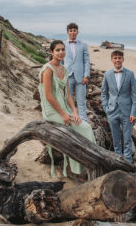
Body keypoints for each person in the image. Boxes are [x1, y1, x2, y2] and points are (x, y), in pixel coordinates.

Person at [39, 40, 96, 177]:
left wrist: (75, 112)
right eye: (57, 50)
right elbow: (48, 96)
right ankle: (80, 169)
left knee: (86, 127)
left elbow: (68, 95)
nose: (61, 52)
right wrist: (63, 114)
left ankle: (91, 163)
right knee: (75, 128)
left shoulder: (64, 69)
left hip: (64, 109)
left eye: (63, 50)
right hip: (52, 111)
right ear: (52, 52)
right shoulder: (47, 70)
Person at [101, 50, 136, 163]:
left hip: (127, 111)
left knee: (127, 138)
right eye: (115, 58)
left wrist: (133, 112)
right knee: (116, 137)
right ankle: (118, 159)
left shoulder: (130, 74)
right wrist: (106, 108)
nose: (117, 60)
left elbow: (135, 95)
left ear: (123, 59)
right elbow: (104, 93)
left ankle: (128, 160)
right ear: (112, 60)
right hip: (112, 111)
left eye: (119, 58)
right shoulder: (107, 75)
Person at [63, 23, 91, 122]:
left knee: (81, 102)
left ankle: (85, 126)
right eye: (70, 30)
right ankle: (71, 124)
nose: (72, 32)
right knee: (68, 102)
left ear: (77, 32)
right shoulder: (63, 44)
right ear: (67, 32)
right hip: (67, 76)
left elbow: (86, 61)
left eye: (74, 30)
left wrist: (86, 75)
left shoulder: (83, 45)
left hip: (81, 78)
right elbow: (61, 61)